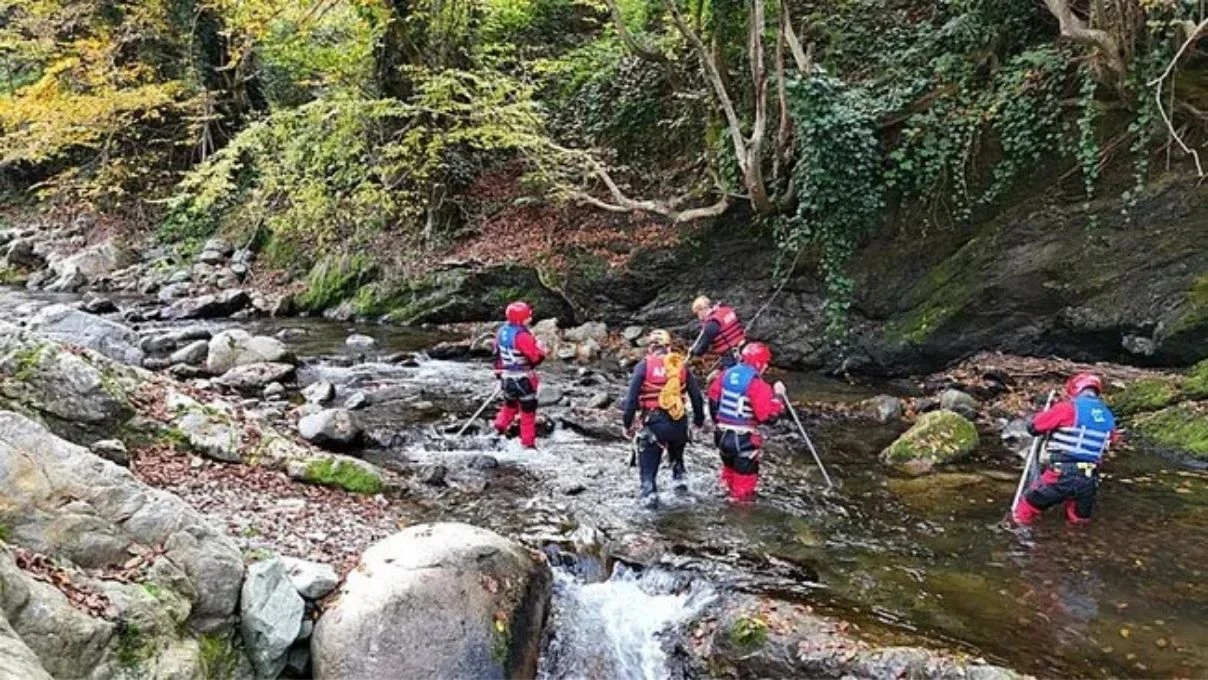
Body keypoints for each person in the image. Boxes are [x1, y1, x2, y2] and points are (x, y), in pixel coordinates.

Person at [1013, 373, 1118, 525]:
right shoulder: (1108, 416)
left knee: (1025, 507)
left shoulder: (1068, 408)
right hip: (1089, 480)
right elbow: (1111, 440)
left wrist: (1046, 413)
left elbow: (1034, 427)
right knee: (1079, 523)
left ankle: (1021, 541)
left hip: (1062, 474)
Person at [622, 330, 706, 508]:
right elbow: (697, 398)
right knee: (678, 467)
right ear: (669, 347)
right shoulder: (680, 366)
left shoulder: (643, 366)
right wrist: (699, 422)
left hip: (654, 425)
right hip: (679, 424)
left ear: (650, 347)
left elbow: (630, 400)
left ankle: (650, 521)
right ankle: (684, 501)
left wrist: (627, 424)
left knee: (648, 480)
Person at [707, 342, 786, 502]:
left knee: (727, 475)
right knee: (743, 490)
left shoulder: (725, 375)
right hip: (743, 441)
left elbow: (713, 402)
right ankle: (739, 518)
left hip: (722, 437)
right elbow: (769, 418)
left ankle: (722, 504)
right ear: (760, 363)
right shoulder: (757, 385)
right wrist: (779, 396)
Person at [493, 301, 546, 449]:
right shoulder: (522, 336)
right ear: (522, 318)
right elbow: (535, 358)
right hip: (523, 380)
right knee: (528, 412)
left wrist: (498, 375)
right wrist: (541, 349)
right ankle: (527, 444)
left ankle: (497, 430)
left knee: (510, 405)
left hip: (507, 378)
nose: (530, 318)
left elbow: (497, 356)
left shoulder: (501, 332)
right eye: (528, 316)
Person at [688, 296, 746, 369]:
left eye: (697, 314)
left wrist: (693, 351)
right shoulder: (726, 310)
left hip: (731, 356)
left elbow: (701, 348)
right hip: (744, 347)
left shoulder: (711, 324)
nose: (699, 317)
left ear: (701, 310)